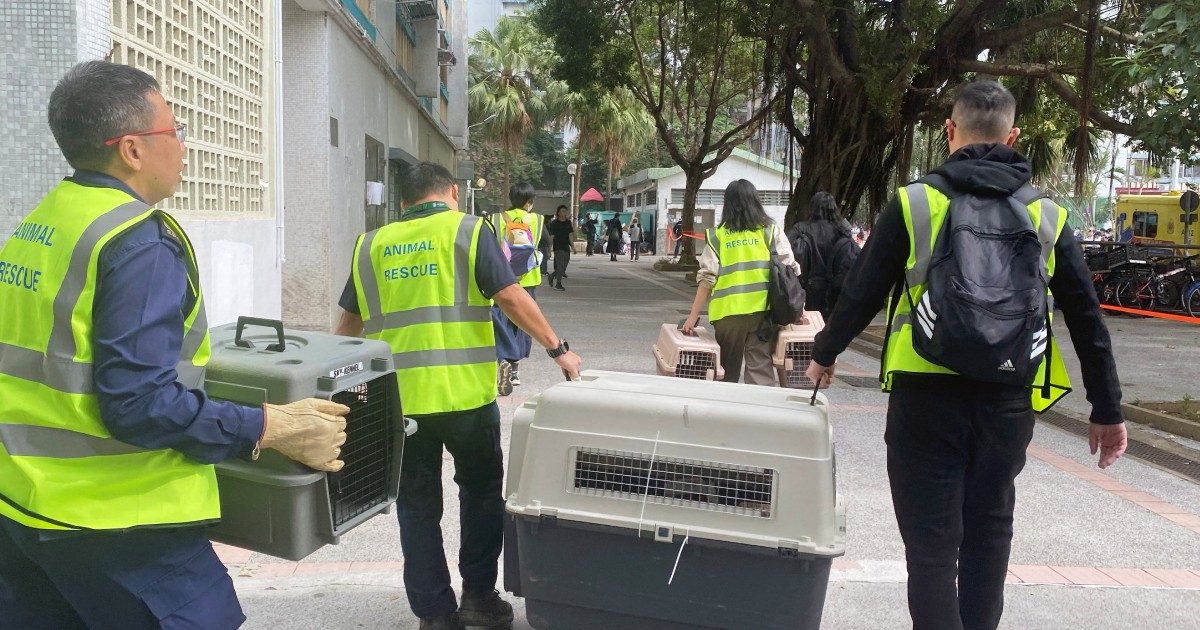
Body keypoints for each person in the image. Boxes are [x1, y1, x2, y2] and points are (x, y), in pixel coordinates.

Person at [0, 61, 349, 629]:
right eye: (175, 131)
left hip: (23, 511)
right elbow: (139, 404)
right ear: (132, 149)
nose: (184, 147)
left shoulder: (39, 224)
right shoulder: (135, 240)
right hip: (119, 524)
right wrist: (270, 427)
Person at [805, 80, 1127, 630]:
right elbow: (1087, 318)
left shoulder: (914, 201)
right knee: (988, 535)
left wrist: (825, 354)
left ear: (948, 132)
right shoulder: (1049, 215)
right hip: (1007, 401)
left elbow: (863, 290)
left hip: (924, 396)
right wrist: (1107, 409)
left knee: (931, 547)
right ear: (1013, 136)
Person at [335, 162, 582, 630]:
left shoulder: (370, 245)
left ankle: (434, 613)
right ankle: (478, 597)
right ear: (451, 192)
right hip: (466, 398)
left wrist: (340, 386)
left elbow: (349, 323)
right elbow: (509, 295)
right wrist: (558, 350)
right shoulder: (469, 230)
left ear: (403, 200)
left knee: (416, 506)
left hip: (401, 405)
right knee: (482, 494)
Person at [682, 180, 800, 385]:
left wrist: (692, 317)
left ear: (727, 205)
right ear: (755, 201)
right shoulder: (770, 231)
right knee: (760, 371)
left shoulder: (717, 236)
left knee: (727, 372)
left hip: (728, 316)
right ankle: (759, 414)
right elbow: (790, 269)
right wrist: (801, 308)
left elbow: (707, 279)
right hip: (763, 314)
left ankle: (728, 412)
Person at [489, 183, 544, 392]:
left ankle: (502, 356)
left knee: (499, 319)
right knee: (523, 322)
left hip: (502, 278)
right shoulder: (537, 220)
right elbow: (543, 243)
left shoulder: (496, 218)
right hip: (528, 278)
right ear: (530, 201)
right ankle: (515, 371)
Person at [786, 192, 860, 320]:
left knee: (810, 328)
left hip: (807, 290)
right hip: (835, 291)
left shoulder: (801, 229)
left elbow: (786, 253)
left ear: (812, 208)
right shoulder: (841, 231)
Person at [547, 205, 575, 291]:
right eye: (561, 211)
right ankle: (558, 284)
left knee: (564, 266)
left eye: (565, 211)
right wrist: (549, 250)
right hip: (558, 247)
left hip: (566, 246)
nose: (563, 213)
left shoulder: (568, 223)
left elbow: (570, 235)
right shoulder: (554, 223)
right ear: (558, 213)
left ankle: (552, 276)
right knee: (560, 266)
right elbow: (551, 237)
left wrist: (573, 246)